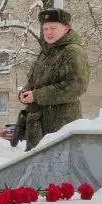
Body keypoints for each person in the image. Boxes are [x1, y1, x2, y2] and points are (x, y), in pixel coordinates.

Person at [17, 8, 91, 150]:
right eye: (45, 29)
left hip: (60, 127)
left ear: (66, 28)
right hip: (38, 127)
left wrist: (36, 96)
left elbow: (76, 86)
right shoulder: (45, 53)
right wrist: (25, 92)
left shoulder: (72, 51)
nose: (48, 32)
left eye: (53, 28)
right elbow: (33, 82)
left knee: (59, 163)